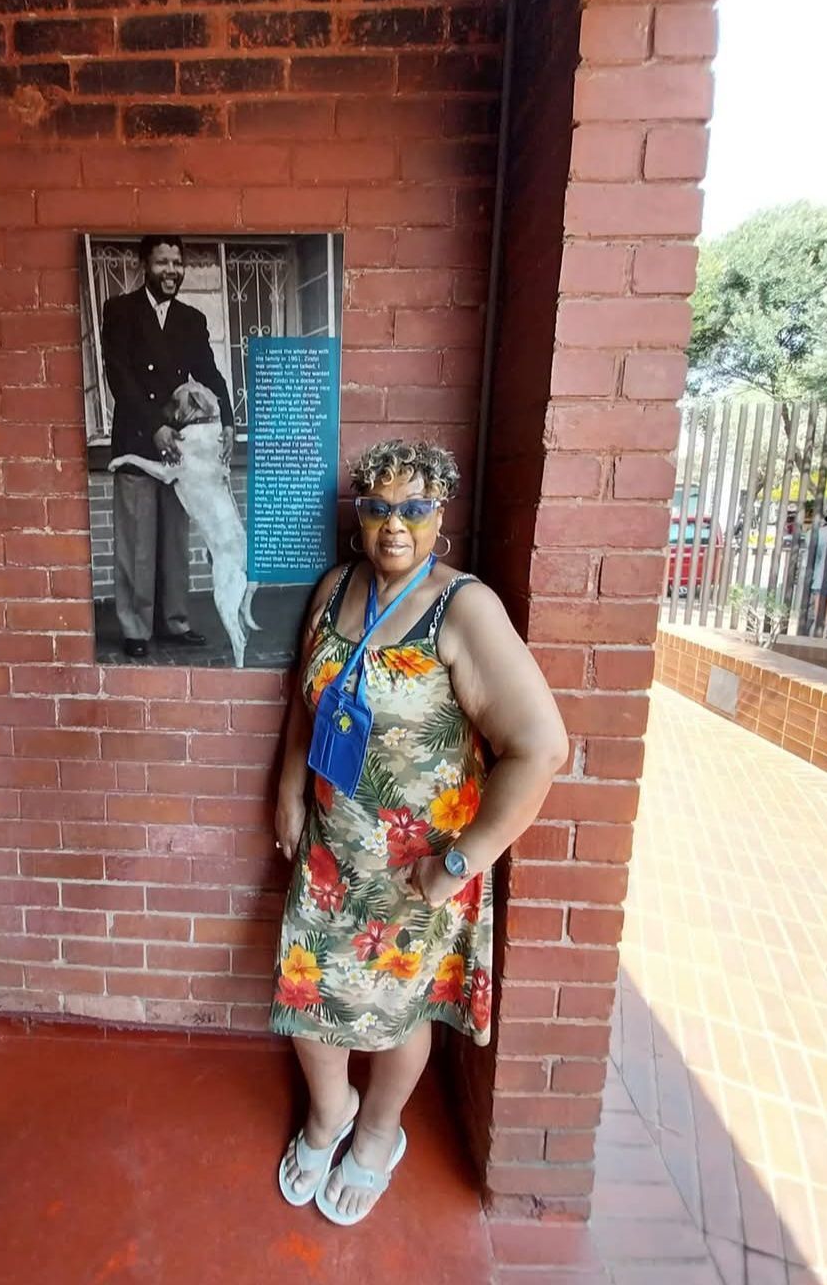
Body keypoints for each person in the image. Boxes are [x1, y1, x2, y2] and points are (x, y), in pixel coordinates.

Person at [271, 439, 569, 1226]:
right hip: (331, 852)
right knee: (308, 991)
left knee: (399, 1008)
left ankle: (378, 1131)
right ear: (359, 516)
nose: (394, 525)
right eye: (378, 508)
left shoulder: (464, 607)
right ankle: (330, 1112)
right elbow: (310, 701)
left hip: (419, 868)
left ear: (441, 515)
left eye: (414, 508)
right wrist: (289, 789)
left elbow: (541, 748)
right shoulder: (338, 587)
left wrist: (458, 864)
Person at [101, 236, 234, 659]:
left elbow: (209, 372)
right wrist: (154, 425)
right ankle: (136, 628)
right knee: (137, 543)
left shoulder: (191, 319)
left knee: (174, 540)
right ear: (145, 264)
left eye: (178, 263)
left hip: (180, 447)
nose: (172, 271)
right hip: (138, 436)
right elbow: (119, 377)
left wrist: (227, 420)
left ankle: (174, 622)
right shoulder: (119, 311)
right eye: (163, 262)